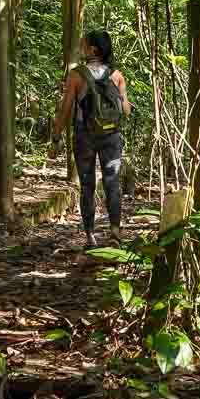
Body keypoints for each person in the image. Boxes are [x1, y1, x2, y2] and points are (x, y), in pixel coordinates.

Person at [51, 30, 132, 249]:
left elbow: (65, 110)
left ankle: (90, 236)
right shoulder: (116, 75)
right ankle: (115, 232)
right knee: (112, 183)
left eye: (83, 45)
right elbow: (125, 111)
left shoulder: (77, 75)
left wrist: (56, 136)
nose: (81, 48)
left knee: (87, 185)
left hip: (84, 136)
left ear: (93, 50)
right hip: (112, 136)